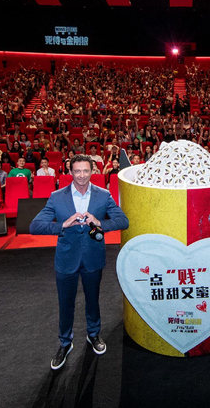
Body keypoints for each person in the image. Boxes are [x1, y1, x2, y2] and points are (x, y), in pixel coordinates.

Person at [30, 155, 129, 370]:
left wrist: (99, 222)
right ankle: (65, 343)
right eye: (77, 171)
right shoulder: (57, 197)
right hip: (66, 259)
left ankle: (93, 334)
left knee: (93, 300)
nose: (82, 175)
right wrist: (62, 225)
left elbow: (123, 221)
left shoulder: (104, 195)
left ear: (92, 170)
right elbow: (34, 226)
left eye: (85, 171)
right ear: (70, 172)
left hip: (93, 258)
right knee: (65, 303)